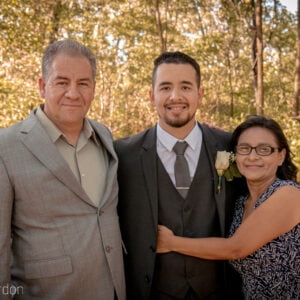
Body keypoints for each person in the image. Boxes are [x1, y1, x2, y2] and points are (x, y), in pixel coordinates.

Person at [0, 40, 125, 299]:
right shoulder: (6, 147)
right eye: (62, 82)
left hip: (112, 289)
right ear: (43, 86)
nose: (73, 93)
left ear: (92, 89)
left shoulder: (104, 136)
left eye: (83, 83)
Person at [115, 52, 242, 299]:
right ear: (152, 96)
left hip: (220, 290)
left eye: (185, 86)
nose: (176, 97)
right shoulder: (123, 154)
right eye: (165, 87)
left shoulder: (230, 146)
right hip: (151, 291)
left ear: (200, 94)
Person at [157, 116, 300, 299]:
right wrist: (211, 137)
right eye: (244, 148)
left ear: (281, 156)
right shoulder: (241, 203)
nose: (252, 156)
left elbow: (235, 248)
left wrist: (171, 242)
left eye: (264, 149)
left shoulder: (289, 194)